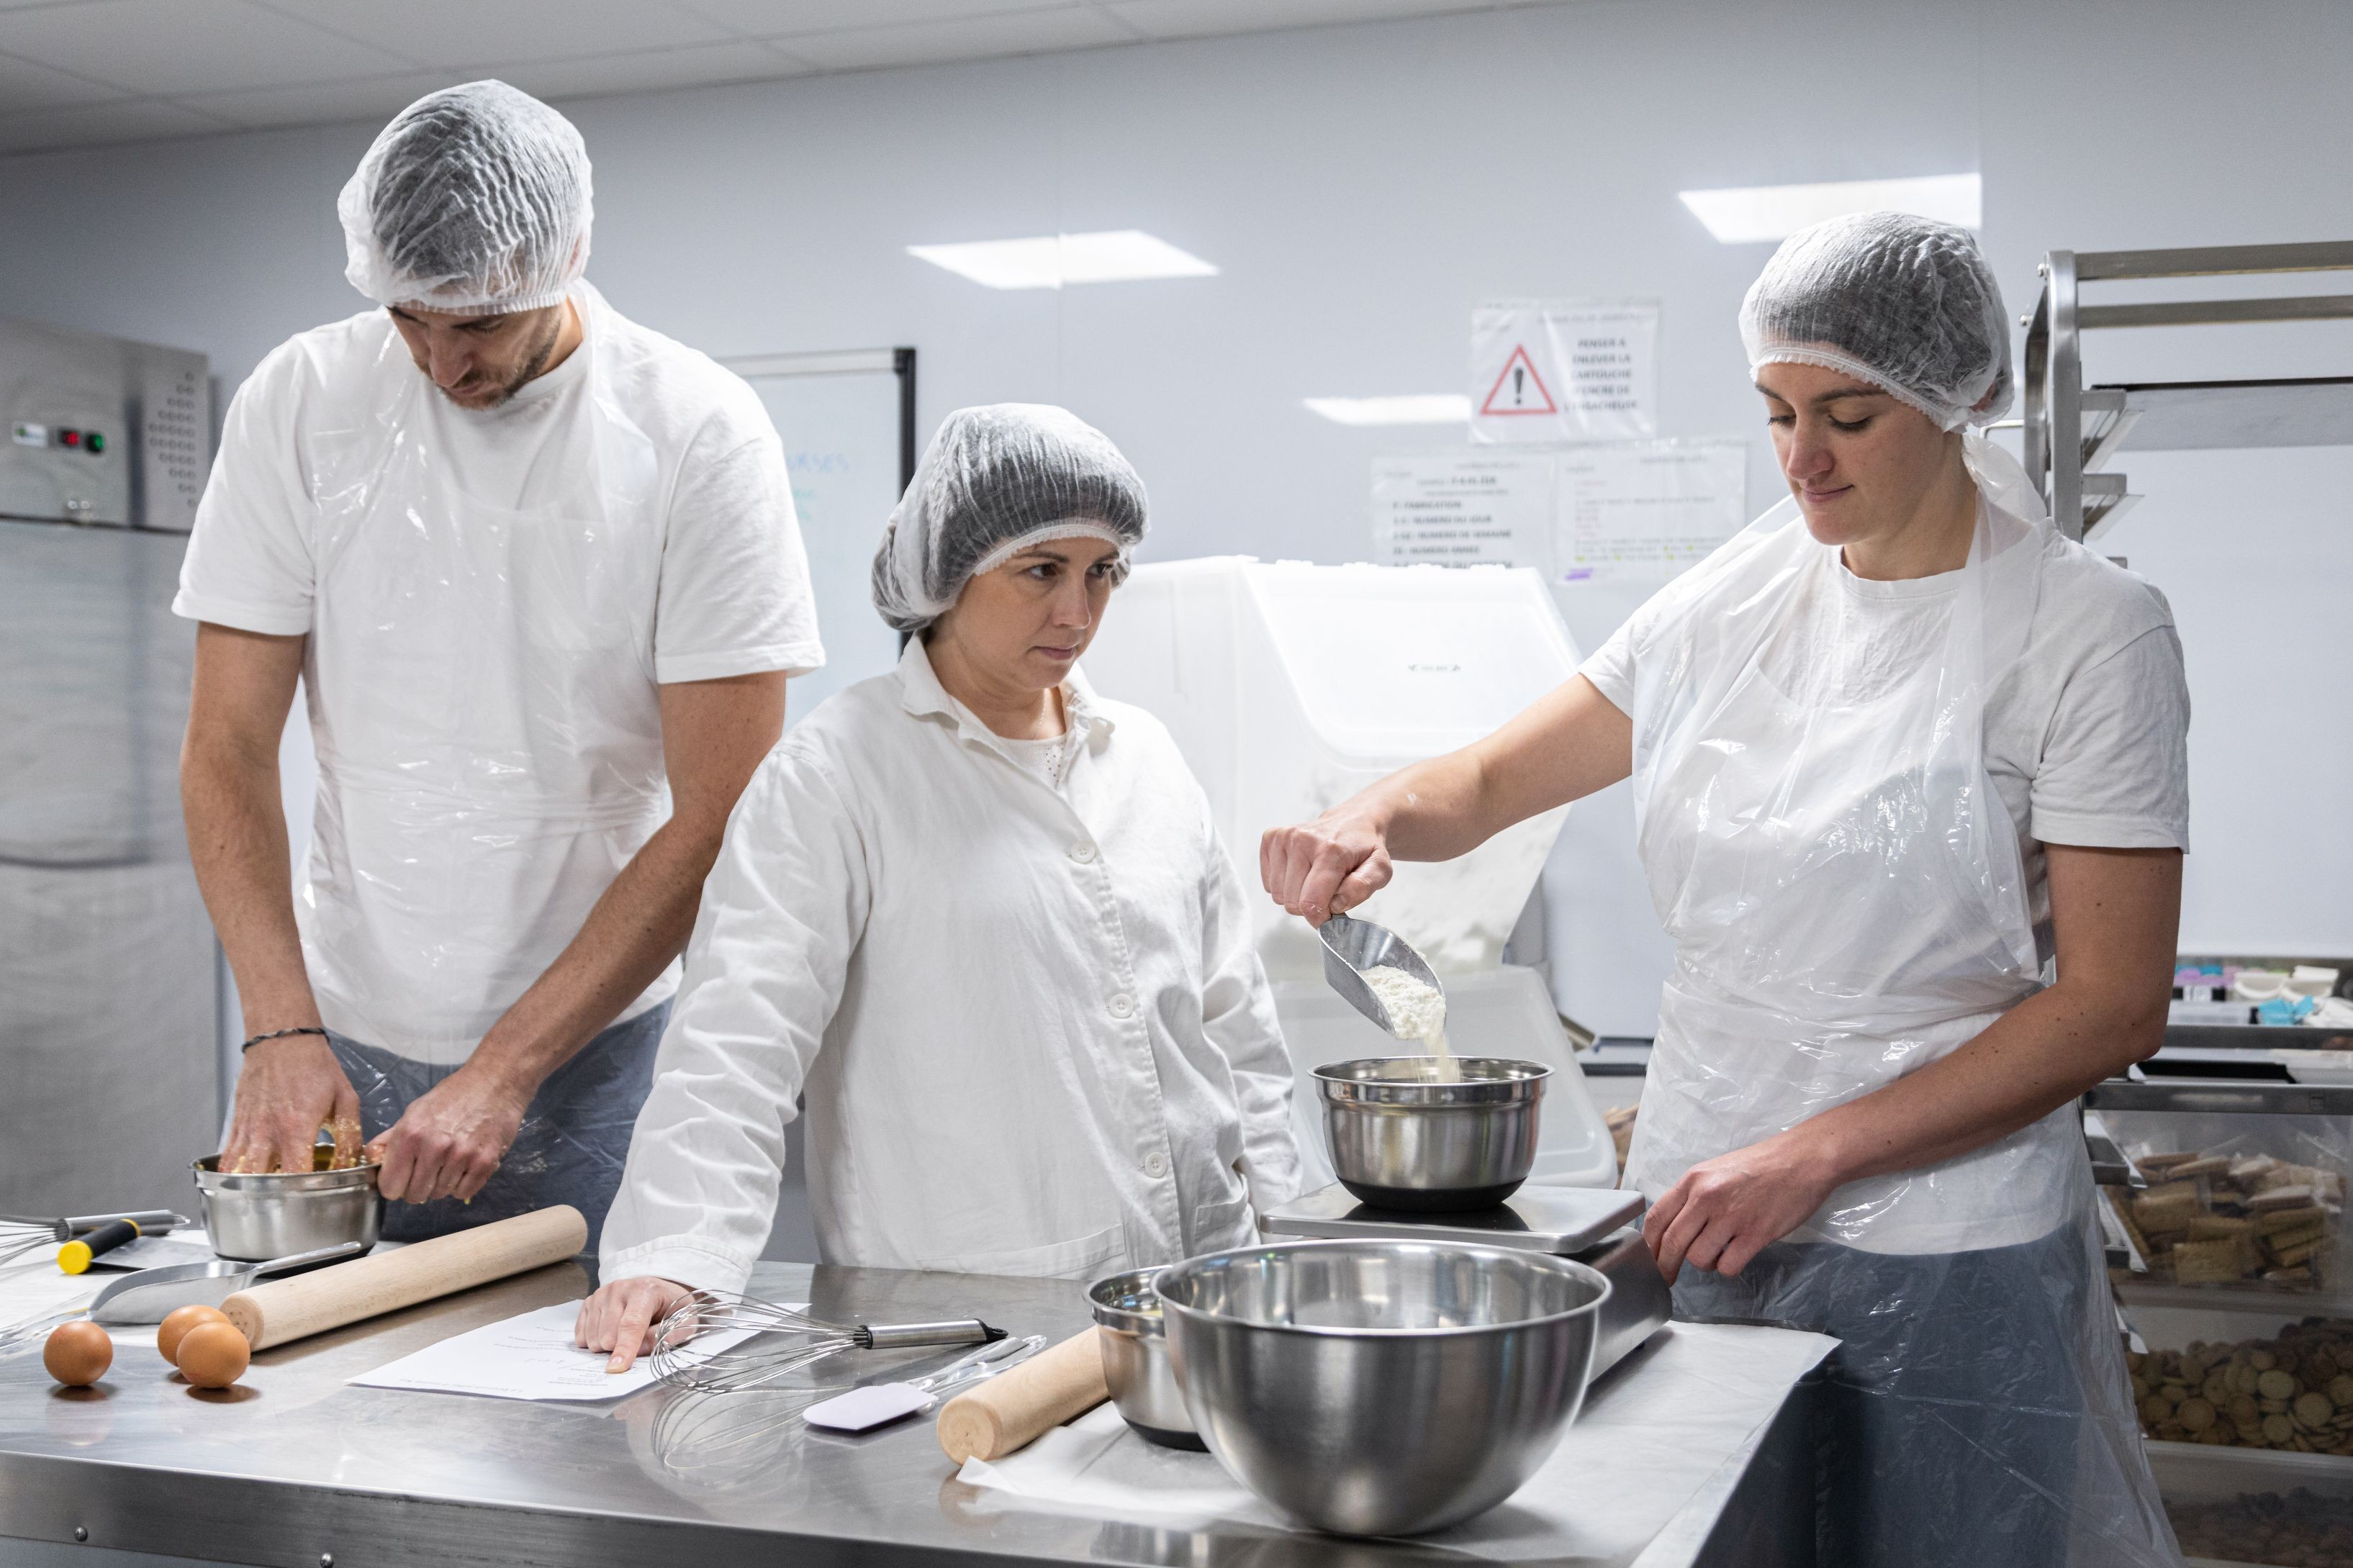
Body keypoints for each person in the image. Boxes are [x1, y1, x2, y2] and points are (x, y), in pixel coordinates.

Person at [1261, 212, 2189, 1567]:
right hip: (1704, 1212)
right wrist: (1364, 817)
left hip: (1940, 1237)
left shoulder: (2088, 633)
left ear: (1955, 401)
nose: (1801, 460)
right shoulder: (1733, 603)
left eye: (1849, 416)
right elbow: (1479, 786)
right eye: (1773, 413)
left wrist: (1816, 1151)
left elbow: (2112, 1006)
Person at [176, 82, 823, 1248]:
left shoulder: (694, 431)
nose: (438, 364)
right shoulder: (304, 399)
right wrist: (279, 1026)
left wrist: (507, 1069)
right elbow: (225, 746)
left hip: (600, 1039)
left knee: (590, 1387)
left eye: (474, 325)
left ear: (569, 255)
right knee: (342, 1391)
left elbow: (725, 809)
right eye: (407, 319)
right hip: (344, 1020)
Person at [577, 404, 1301, 1369]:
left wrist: (1289, 1227)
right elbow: (737, 1042)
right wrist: (672, 1254)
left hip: (1203, 1291)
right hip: (966, 1314)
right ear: (945, 574)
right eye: (1040, 570)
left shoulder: (1148, 758)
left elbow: (1231, 1020)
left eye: (1101, 573)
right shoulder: (839, 772)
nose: (1076, 613)